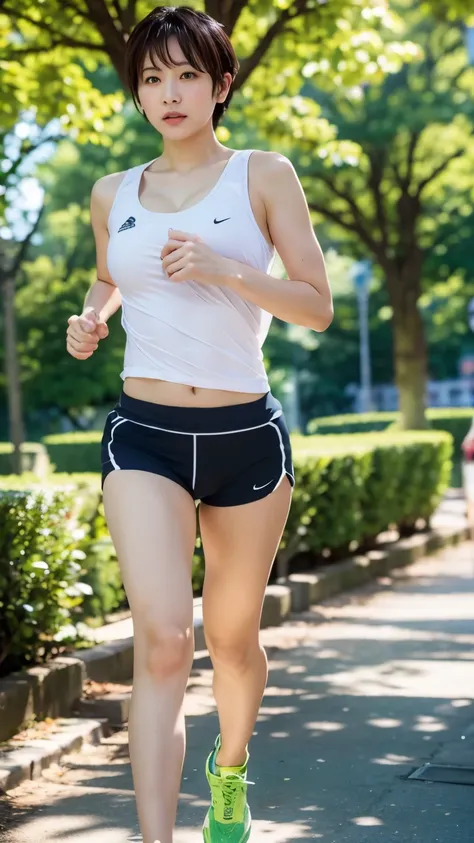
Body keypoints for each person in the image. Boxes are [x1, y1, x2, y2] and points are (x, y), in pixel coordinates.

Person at [66, 6, 333, 843]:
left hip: (245, 439)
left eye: (187, 75)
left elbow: (318, 306)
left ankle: (230, 767)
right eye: (152, 77)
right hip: (143, 434)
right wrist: (89, 316)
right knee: (164, 641)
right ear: (138, 92)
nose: (169, 92)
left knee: (231, 638)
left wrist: (228, 270)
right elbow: (111, 276)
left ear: (221, 86)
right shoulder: (114, 193)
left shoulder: (263, 175)